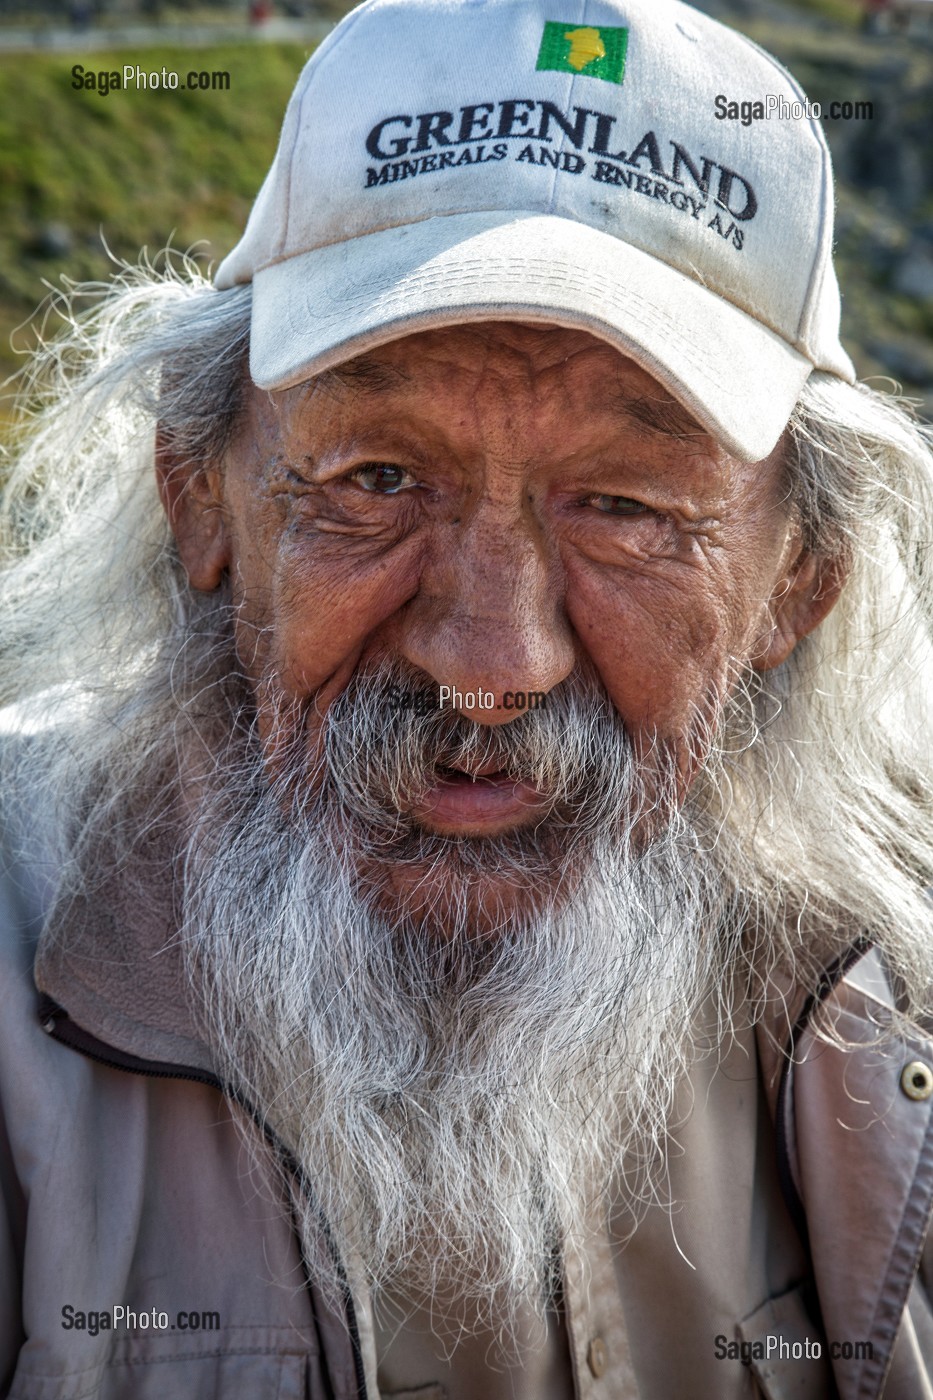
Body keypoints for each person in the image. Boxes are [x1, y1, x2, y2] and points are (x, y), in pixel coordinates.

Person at [2, 0, 933, 1396]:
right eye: (377, 480)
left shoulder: (897, 960)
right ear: (201, 498)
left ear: (794, 587)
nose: (489, 663)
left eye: (625, 509)